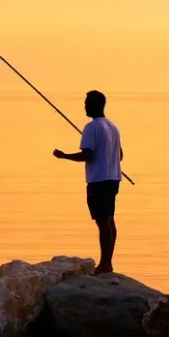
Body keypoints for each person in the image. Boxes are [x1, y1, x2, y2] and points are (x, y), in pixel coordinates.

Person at [53, 90, 123, 275]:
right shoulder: (113, 126)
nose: (84, 105)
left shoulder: (91, 128)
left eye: (87, 102)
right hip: (113, 179)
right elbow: (120, 155)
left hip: (98, 180)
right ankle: (107, 262)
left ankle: (105, 264)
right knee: (109, 220)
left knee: (103, 222)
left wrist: (64, 156)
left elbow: (87, 155)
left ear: (94, 105)